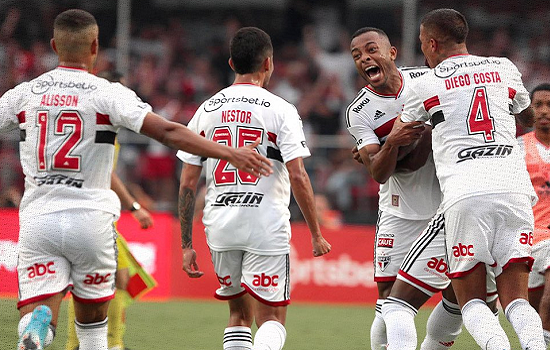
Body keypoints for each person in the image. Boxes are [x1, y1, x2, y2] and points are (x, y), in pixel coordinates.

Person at [4, 9, 272, 350]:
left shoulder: (25, 94)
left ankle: (36, 328)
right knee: (93, 329)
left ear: (55, 45)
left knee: (41, 307)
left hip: (38, 219)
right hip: (91, 220)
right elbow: (169, 131)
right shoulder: (107, 93)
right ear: (95, 47)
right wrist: (230, 153)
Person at [177, 27, 331, 350]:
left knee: (238, 315)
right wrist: (316, 232)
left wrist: (186, 244)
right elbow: (299, 176)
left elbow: (189, 180)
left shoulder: (205, 110)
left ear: (232, 63)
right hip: (265, 224)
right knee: (272, 317)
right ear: (269, 64)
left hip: (219, 224)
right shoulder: (281, 110)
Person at [400, 8, 546, 350]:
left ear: (433, 44)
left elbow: (404, 135)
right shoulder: (503, 67)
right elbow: (526, 115)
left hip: (466, 192)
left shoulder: (424, 83)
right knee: (517, 300)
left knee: (473, 300)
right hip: (514, 187)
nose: (423, 51)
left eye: (422, 44)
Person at [346, 27, 450, 350]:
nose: (365, 58)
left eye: (371, 50)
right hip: (398, 213)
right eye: (357, 56)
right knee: (388, 300)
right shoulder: (358, 112)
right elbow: (378, 172)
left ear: (391, 54)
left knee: (458, 295)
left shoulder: (425, 78)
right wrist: (391, 142)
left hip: (444, 209)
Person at [519, 83, 550, 347]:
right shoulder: (517, 149)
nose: (544, 111)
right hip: (529, 237)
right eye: (538, 104)